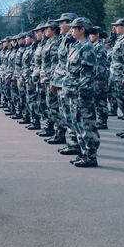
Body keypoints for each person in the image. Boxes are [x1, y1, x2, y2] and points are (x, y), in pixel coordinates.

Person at [66, 17, 99, 167]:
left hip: (82, 93)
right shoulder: (77, 46)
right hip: (73, 91)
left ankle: (91, 156)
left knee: (86, 125)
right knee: (77, 123)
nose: (71, 30)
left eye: (74, 28)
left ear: (82, 29)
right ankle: (83, 152)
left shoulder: (87, 47)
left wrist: (82, 93)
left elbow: (86, 74)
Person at [51, 12, 78, 154]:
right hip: (61, 81)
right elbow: (60, 64)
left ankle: (75, 143)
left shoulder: (73, 41)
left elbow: (71, 66)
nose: (60, 25)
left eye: (63, 22)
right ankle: (72, 142)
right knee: (65, 114)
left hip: (69, 83)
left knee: (72, 115)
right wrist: (54, 81)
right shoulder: (64, 39)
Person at [89, 26, 110, 130]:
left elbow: (100, 65)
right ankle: (100, 120)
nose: (90, 36)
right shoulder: (94, 45)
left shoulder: (99, 47)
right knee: (97, 100)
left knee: (101, 100)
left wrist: (99, 79)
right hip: (96, 77)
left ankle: (102, 121)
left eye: (92, 34)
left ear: (97, 35)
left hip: (100, 78)